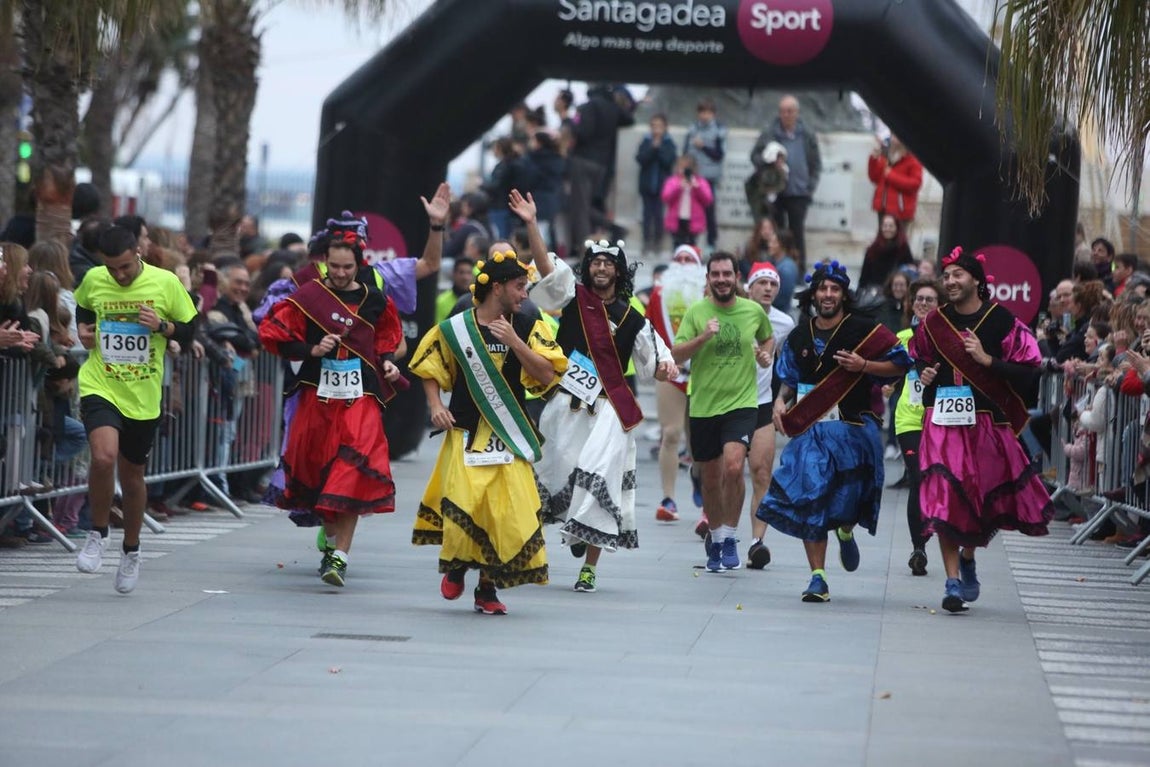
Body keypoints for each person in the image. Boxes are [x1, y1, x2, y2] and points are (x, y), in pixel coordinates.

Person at [410, 250, 567, 615]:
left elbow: (547, 374)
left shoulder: (527, 324)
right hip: (465, 433)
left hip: (508, 436)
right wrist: (435, 404)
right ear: (497, 287)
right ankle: (458, 565)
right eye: (519, 286)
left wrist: (516, 343)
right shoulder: (456, 327)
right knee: (465, 503)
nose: (525, 294)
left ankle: (487, 588)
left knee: (505, 514)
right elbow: (429, 364)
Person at [258, 223, 404, 587]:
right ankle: (330, 535)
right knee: (319, 472)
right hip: (317, 397)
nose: (340, 273)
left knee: (353, 467)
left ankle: (340, 556)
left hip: (360, 397)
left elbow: (387, 340)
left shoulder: (375, 300)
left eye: (347, 267)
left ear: (359, 264)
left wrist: (388, 362)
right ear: (325, 262)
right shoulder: (308, 297)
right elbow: (273, 335)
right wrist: (311, 349)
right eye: (334, 266)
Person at [910, 247, 1054, 613]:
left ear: (976, 279)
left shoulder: (1001, 320)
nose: (950, 281)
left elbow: (1030, 370)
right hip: (942, 421)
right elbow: (920, 358)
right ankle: (951, 581)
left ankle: (968, 556)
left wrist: (988, 360)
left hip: (986, 423)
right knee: (944, 494)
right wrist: (924, 372)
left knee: (978, 498)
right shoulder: (934, 323)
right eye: (946, 276)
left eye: (957, 275)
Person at [758, 261, 911, 602]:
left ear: (844, 294)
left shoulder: (864, 329)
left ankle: (845, 531)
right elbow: (788, 379)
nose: (828, 294)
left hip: (852, 428)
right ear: (813, 294)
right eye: (822, 289)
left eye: (834, 289)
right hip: (810, 430)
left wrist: (864, 365)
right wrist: (780, 401)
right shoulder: (799, 335)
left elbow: (901, 363)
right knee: (810, 497)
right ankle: (818, 577)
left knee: (850, 500)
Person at [533, 239, 677, 593]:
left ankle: (589, 569)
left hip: (610, 410)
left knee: (600, 477)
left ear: (618, 271)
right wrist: (532, 223)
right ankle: (575, 528)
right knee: (558, 470)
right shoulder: (573, 297)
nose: (601, 268)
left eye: (608, 263)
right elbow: (548, 272)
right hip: (567, 405)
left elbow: (655, 362)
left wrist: (665, 367)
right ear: (588, 267)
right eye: (595, 262)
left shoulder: (632, 318)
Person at [73, 224, 198, 593]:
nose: (119, 275)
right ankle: (98, 532)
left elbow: (190, 329)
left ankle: (131, 549)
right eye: (112, 268)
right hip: (101, 382)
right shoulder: (94, 278)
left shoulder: (165, 283)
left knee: (132, 477)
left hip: (142, 394)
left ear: (138, 254)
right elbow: (83, 306)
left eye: (125, 267)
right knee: (103, 457)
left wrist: (162, 326)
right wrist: (84, 329)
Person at [672, 251, 773, 572]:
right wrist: (704, 337)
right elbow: (676, 354)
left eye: (727, 274)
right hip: (704, 406)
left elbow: (768, 338)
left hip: (741, 404)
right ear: (708, 279)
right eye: (715, 274)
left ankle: (729, 536)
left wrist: (765, 356)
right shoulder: (697, 312)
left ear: (737, 277)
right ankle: (715, 539)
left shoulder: (753, 311)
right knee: (711, 478)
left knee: (733, 466)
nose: (721, 279)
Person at [646, 244, 707, 522]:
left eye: (689, 259)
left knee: (699, 442)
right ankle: (668, 499)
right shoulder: (659, 295)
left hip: (703, 373)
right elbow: (648, 330)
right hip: (670, 371)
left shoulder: (708, 295)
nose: (683, 263)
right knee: (670, 433)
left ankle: (699, 479)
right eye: (678, 258)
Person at [886, 277, 943, 575]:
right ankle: (918, 548)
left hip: (942, 418)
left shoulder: (948, 337)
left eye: (929, 299)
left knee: (939, 480)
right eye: (919, 298)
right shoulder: (902, 337)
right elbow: (890, 371)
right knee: (918, 477)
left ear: (940, 305)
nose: (922, 303)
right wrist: (887, 384)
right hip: (909, 418)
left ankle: (940, 533)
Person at [744, 262, 795, 569]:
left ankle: (756, 543)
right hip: (727, 402)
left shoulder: (784, 323)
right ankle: (719, 529)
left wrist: (780, 399)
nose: (767, 288)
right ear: (749, 287)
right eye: (761, 282)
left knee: (762, 472)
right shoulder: (734, 313)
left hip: (762, 402)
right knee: (726, 473)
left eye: (773, 284)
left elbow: (787, 367)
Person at [752, 95, 821, 261]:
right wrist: (769, 161)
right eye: (782, 111)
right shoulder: (769, 133)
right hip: (775, 192)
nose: (786, 115)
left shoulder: (807, 134)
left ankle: (799, 268)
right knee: (776, 233)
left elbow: (815, 163)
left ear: (797, 112)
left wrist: (810, 187)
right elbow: (754, 156)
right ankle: (776, 268)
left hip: (799, 192)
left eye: (790, 111)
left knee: (797, 232)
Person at [682, 98, 727, 251]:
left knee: (709, 211)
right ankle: (689, 242)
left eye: (708, 112)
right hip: (693, 176)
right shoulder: (692, 129)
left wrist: (703, 146)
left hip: (709, 178)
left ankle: (711, 243)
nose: (705, 116)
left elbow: (719, 155)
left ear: (713, 114)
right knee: (689, 211)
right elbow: (685, 153)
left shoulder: (719, 130)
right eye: (702, 112)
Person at [635, 113, 677, 256]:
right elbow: (640, 159)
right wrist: (652, 148)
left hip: (662, 186)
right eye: (654, 126)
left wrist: (658, 148)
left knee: (659, 215)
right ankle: (646, 242)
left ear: (665, 127)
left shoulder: (669, 143)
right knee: (646, 215)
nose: (656, 129)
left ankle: (658, 242)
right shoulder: (646, 141)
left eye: (659, 126)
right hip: (646, 185)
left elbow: (668, 161)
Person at [867, 134, 923, 226]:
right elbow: (874, 178)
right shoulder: (885, 156)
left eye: (896, 136)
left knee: (899, 235)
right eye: (892, 135)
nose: (893, 139)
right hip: (883, 209)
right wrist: (873, 160)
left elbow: (915, 184)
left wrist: (891, 175)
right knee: (882, 235)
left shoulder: (913, 159)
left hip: (900, 212)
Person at [661, 155, 714, 248]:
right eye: (681, 166)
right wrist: (678, 187)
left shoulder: (700, 181)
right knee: (677, 245)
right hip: (676, 219)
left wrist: (697, 187)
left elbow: (708, 199)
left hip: (694, 220)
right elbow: (665, 197)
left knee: (691, 246)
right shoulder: (673, 181)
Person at [859, 214, 914, 294]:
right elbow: (864, 277)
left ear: (897, 228)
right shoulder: (872, 249)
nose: (887, 229)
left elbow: (910, 271)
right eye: (885, 226)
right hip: (875, 293)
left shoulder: (903, 248)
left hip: (896, 293)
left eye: (891, 226)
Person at [437, 257, 475, 324]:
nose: (465, 277)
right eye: (461, 272)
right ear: (453, 274)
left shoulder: (479, 301)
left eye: (469, 273)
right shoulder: (441, 301)